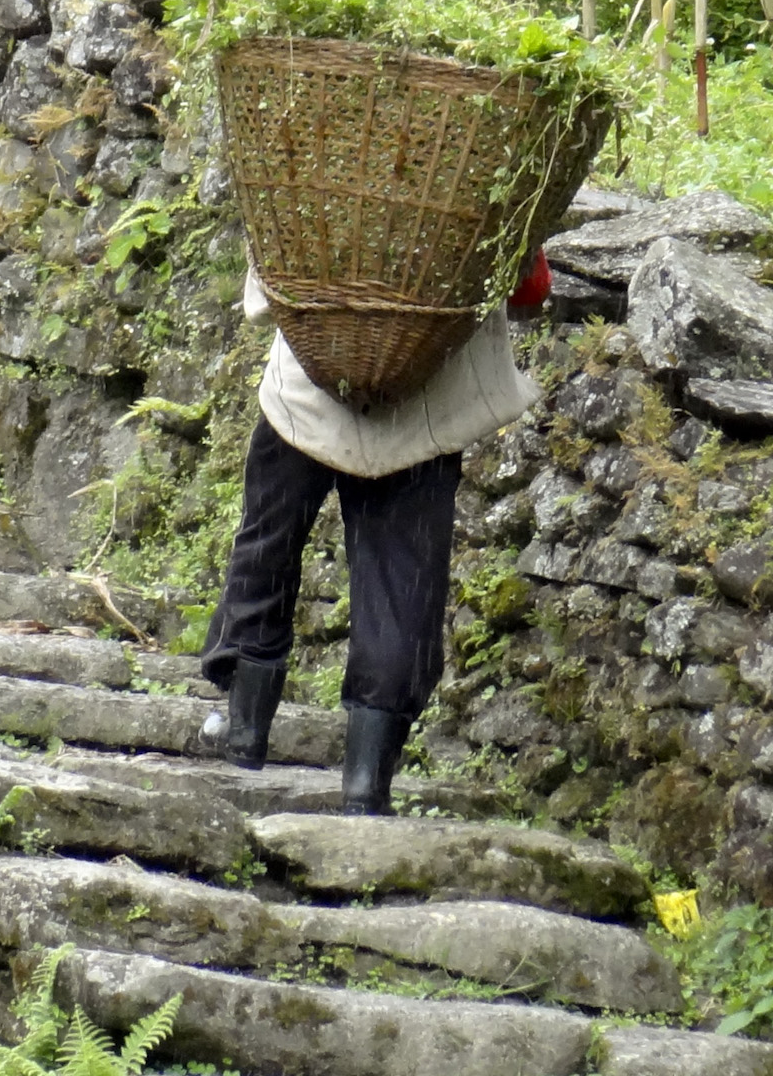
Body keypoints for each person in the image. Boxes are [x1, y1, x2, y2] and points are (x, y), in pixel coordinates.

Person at [195, 247, 553, 814]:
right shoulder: (481, 174)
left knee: (270, 537)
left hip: (308, 385)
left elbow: (272, 260)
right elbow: (528, 289)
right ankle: (366, 782)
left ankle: (244, 731)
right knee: (402, 577)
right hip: (430, 404)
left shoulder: (320, 166)